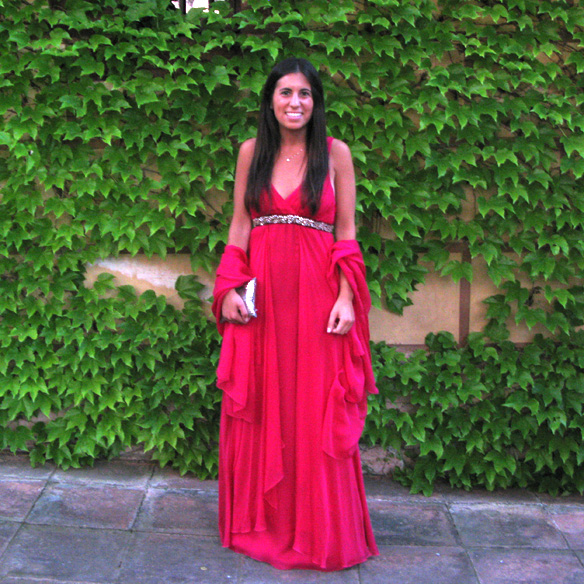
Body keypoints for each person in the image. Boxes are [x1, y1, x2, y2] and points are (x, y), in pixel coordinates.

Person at [212, 57, 379, 571]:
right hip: (264, 300)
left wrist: (346, 297)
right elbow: (240, 224)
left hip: (318, 299)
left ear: (316, 102)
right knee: (264, 401)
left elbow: (346, 232)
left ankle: (318, 532)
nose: (295, 102)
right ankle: (265, 528)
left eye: (304, 94)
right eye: (285, 92)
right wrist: (229, 286)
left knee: (312, 406)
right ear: (270, 100)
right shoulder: (251, 152)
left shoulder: (336, 154)